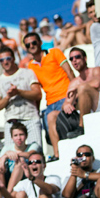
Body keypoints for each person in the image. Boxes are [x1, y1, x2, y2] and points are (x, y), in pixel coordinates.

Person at [24, 32, 75, 161]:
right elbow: (36, 90)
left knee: (53, 120)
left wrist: (73, 95)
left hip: (65, 95)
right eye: (28, 45)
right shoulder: (31, 66)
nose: (32, 46)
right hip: (50, 102)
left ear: (40, 43)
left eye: (34, 42)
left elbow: (70, 72)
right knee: (48, 130)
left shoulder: (54, 52)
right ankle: (58, 155)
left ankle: (58, 155)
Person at [0, 46, 43, 148]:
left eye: (8, 58)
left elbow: (38, 94)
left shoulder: (27, 73)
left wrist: (19, 92)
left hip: (30, 118)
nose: (5, 62)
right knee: (12, 158)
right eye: (2, 60)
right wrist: (8, 97)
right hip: (11, 121)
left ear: (14, 58)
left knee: (36, 153)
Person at [62, 47, 100, 130]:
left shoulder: (96, 70)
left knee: (83, 88)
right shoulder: (74, 82)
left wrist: (78, 88)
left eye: (77, 57)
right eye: (71, 59)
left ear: (85, 58)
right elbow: (67, 101)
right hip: (88, 110)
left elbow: (96, 83)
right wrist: (66, 105)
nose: (74, 60)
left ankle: (81, 126)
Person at [0, 123, 41, 194]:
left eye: (21, 134)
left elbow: (29, 154)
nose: (19, 138)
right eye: (15, 135)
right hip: (9, 176)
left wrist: (11, 154)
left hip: (28, 175)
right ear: (12, 138)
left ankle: (8, 194)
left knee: (20, 162)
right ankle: (0, 195)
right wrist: (4, 157)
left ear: (26, 136)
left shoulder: (33, 145)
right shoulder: (7, 148)